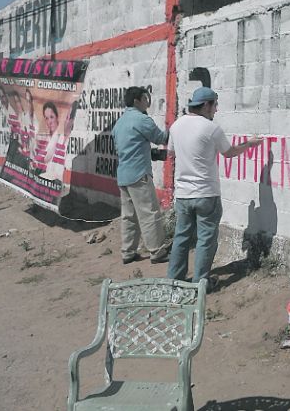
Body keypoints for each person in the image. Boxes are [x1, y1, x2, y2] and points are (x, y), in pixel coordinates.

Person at [166, 86, 262, 292]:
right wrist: (250, 144)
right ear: (206, 105)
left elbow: (171, 152)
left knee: (181, 238)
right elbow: (229, 153)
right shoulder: (211, 128)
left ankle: (174, 281)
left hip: (183, 195)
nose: (216, 109)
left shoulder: (176, 125)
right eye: (215, 105)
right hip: (206, 194)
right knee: (205, 240)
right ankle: (200, 284)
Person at [112, 88, 171, 264]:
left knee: (129, 216)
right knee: (149, 214)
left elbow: (126, 148)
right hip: (139, 174)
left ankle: (128, 252)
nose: (147, 101)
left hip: (123, 175)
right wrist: (175, 126)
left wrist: (147, 152)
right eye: (145, 98)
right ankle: (157, 252)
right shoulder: (142, 119)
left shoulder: (119, 123)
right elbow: (161, 138)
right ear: (137, 101)